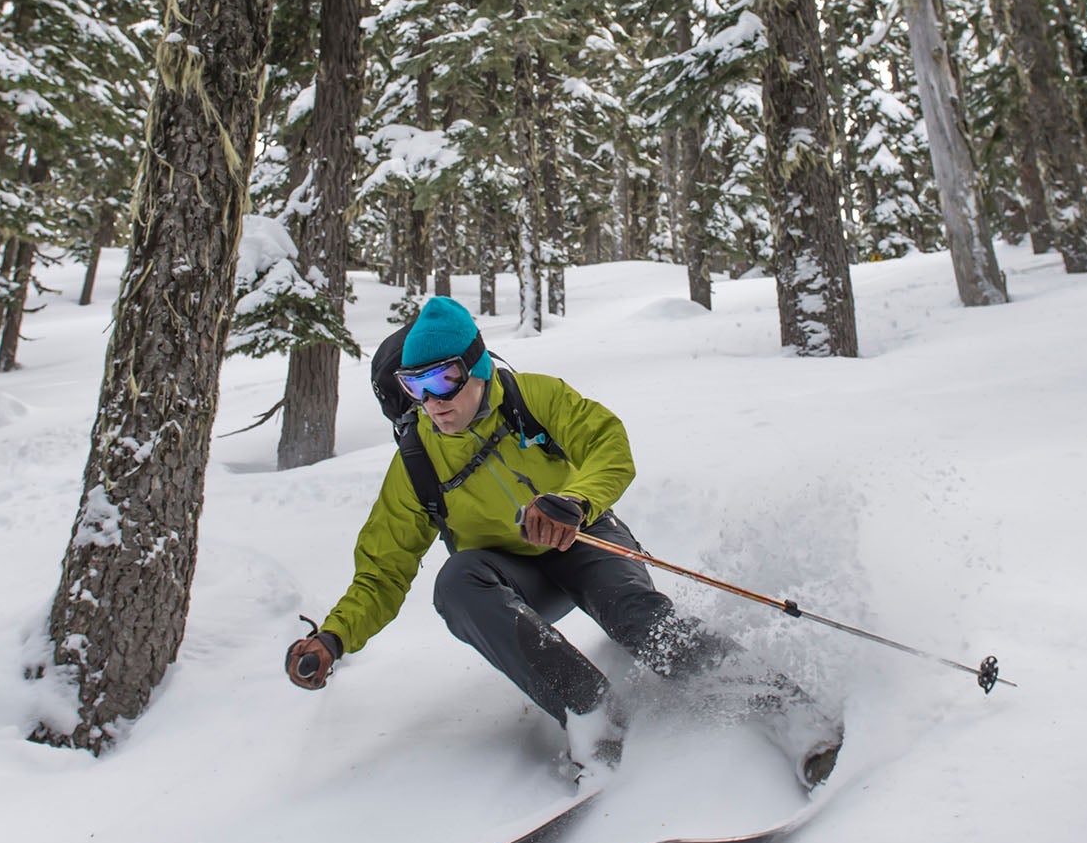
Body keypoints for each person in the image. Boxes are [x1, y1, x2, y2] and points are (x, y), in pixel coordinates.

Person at [284, 296, 841, 789]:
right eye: (415, 387)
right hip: (515, 578)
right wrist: (334, 636)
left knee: (636, 618)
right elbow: (384, 568)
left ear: (476, 366)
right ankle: (590, 712)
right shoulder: (416, 460)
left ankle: (787, 711)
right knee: (455, 583)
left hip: (583, 537)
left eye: (443, 380)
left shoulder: (533, 398)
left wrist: (574, 501)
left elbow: (608, 445)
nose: (432, 401)